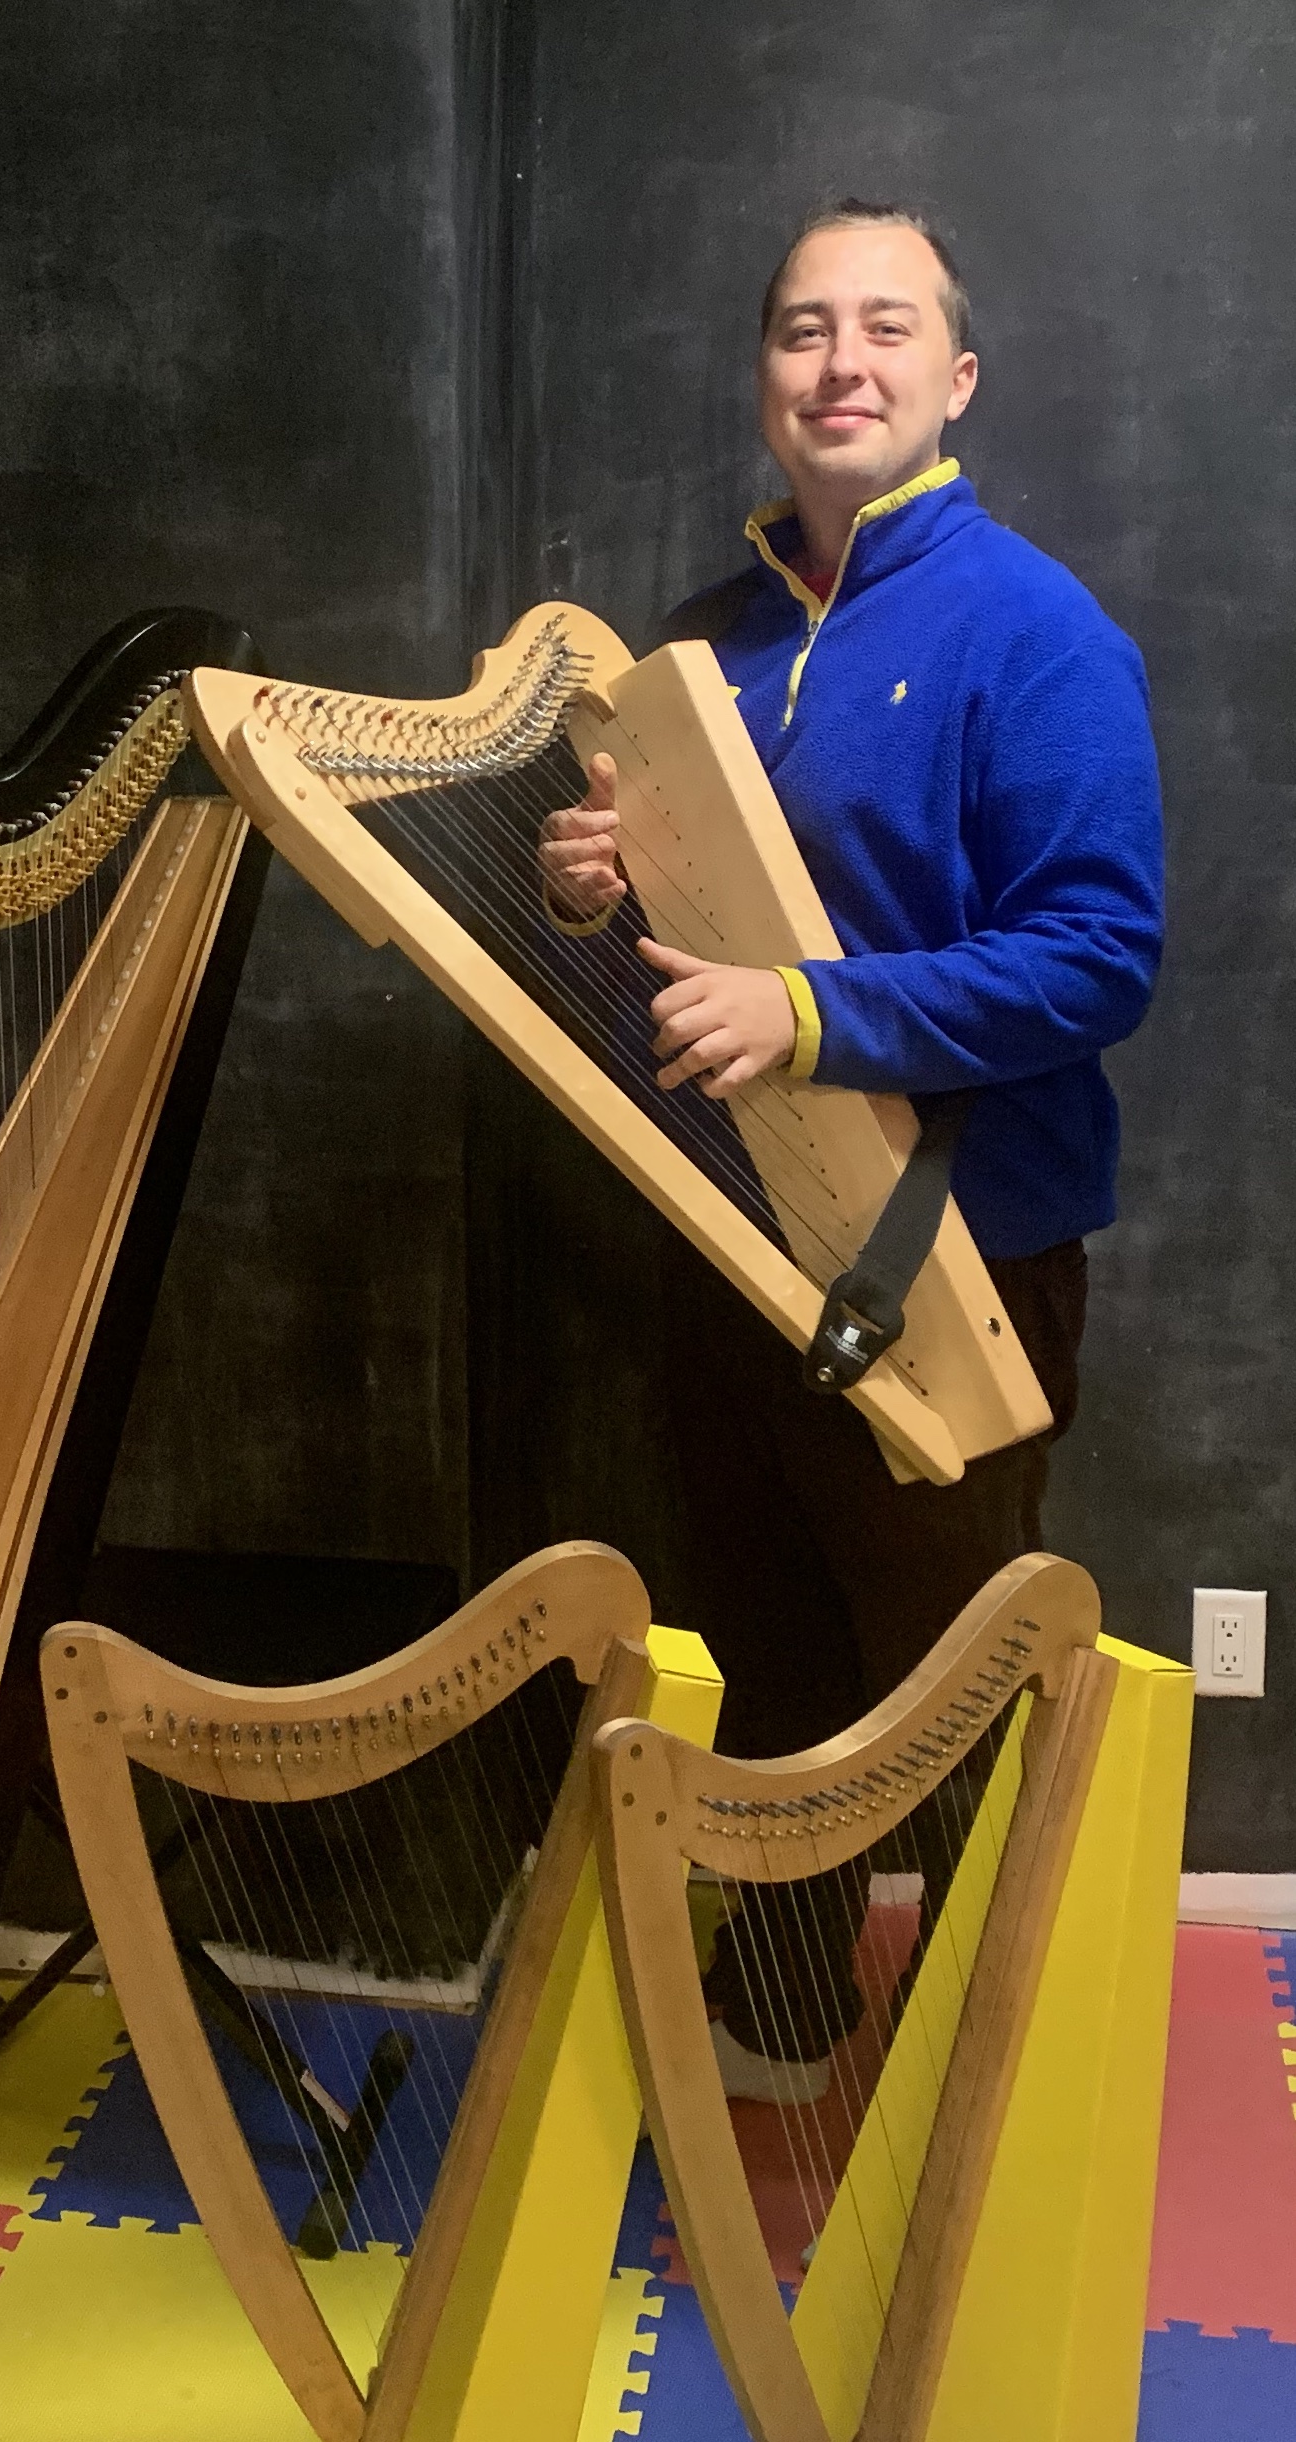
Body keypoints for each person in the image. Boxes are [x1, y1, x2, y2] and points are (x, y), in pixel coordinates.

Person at [538, 198, 1164, 2102]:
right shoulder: (705, 646)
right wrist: (599, 885)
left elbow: (1097, 953)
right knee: (771, 1657)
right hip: (736, 1244)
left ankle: (1005, 2075)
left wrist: (805, 1012)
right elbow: (697, 926)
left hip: (955, 1257)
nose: (843, 365)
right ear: (766, 379)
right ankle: (790, 2021)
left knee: (953, 1681)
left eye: (886, 329)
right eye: (806, 332)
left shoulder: (1041, 632)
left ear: (954, 379)